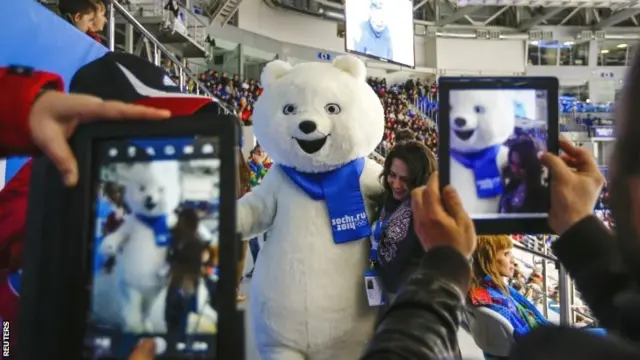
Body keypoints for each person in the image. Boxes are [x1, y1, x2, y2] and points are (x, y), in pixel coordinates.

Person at [371, 141, 436, 297]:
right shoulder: (384, 199)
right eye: (392, 175)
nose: (397, 184)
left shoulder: (428, 213)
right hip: (381, 289)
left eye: (405, 180)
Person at [468, 235, 550, 359]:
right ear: (489, 259)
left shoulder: (480, 290)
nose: (513, 261)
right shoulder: (498, 303)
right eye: (506, 254)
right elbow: (526, 341)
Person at [499, 137, 549, 214]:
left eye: (521, 165)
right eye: (512, 163)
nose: (515, 169)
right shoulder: (510, 187)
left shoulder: (543, 194)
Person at [236, 148, 252, 301]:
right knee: (240, 253)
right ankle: (234, 289)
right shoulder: (244, 168)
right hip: (241, 212)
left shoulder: (244, 168)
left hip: (239, 211)